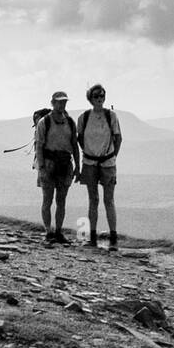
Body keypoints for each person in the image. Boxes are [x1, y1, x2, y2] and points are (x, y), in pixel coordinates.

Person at [77, 83, 122, 250]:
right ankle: (93, 237)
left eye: (102, 96)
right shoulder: (84, 117)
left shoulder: (111, 116)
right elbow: (80, 138)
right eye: (96, 96)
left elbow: (118, 138)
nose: (100, 99)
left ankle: (113, 238)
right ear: (91, 98)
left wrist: (111, 156)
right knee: (93, 200)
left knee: (108, 200)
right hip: (91, 163)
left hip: (106, 163)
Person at [34, 91, 80, 244]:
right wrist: (41, 167)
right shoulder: (44, 122)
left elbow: (74, 145)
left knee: (61, 201)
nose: (62, 104)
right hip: (48, 164)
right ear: (53, 103)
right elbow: (39, 145)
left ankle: (58, 232)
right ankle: (48, 231)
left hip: (65, 164)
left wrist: (78, 166)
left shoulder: (70, 122)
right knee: (47, 200)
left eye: (64, 102)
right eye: (59, 102)